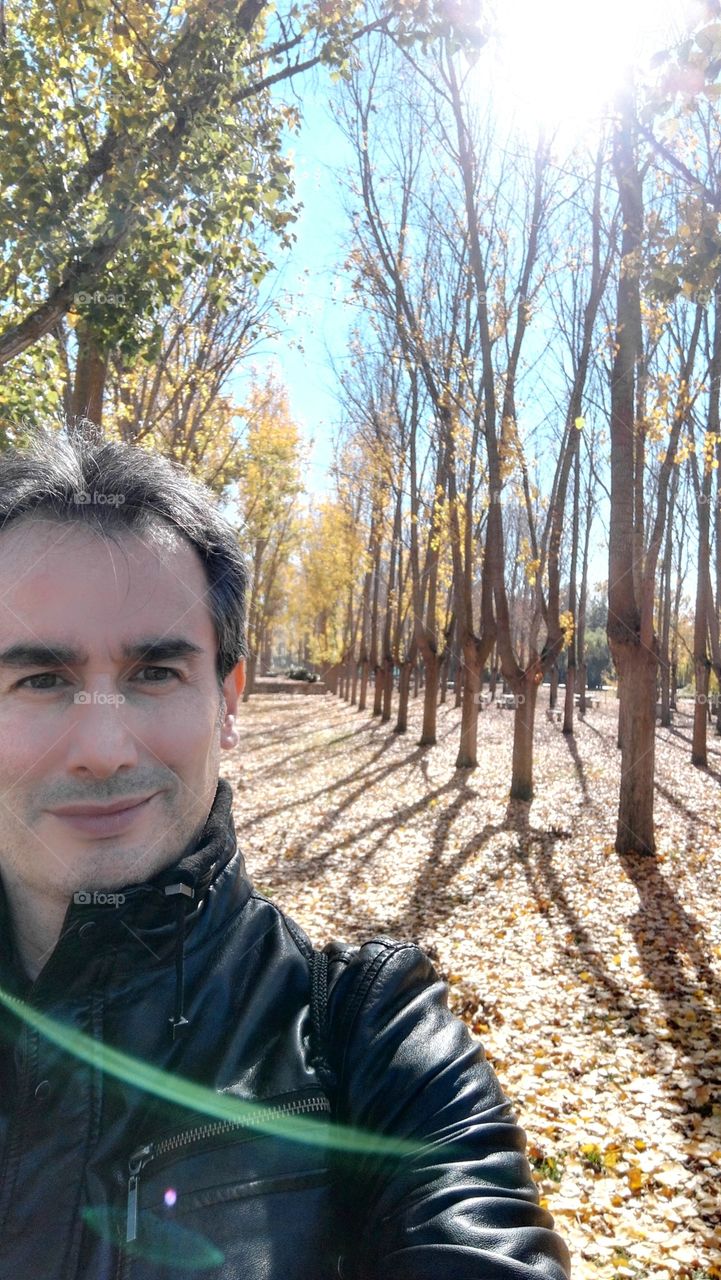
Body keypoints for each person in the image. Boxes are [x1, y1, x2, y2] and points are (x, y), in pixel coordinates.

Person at [0, 423, 571, 1280]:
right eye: (42, 679)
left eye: (155, 673)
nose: (104, 749)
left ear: (227, 701)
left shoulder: (371, 1045)